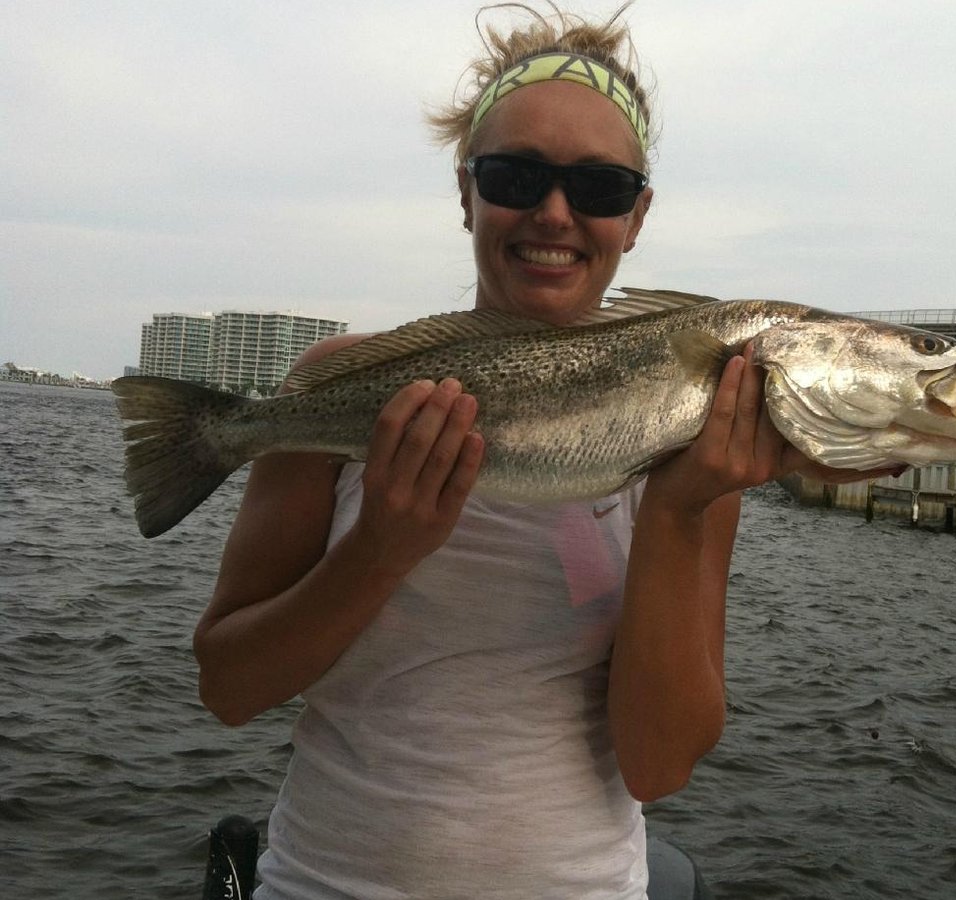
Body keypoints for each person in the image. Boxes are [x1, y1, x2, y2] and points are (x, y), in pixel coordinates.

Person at [193, 4, 868, 897]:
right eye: (515, 176)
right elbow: (229, 688)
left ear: (637, 217)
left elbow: (658, 765)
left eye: (599, 190)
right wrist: (380, 550)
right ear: (466, 191)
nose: (554, 213)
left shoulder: (703, 441)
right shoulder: (337, 385)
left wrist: (676, 507)